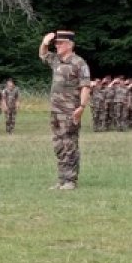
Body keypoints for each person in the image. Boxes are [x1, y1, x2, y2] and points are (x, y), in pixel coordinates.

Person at [39, 31, 91, 190]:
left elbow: (85, 86)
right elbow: (43, 55)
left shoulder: (79, 63)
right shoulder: (56, 60)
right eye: (56, 44)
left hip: (70, 111)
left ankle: (70, 180)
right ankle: (62, 179)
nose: (57, 46)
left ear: (69, 45)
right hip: (56, 111)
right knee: (58, 144)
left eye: (60, 43)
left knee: (70, 143)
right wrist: (44, 42)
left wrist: (81, 107)